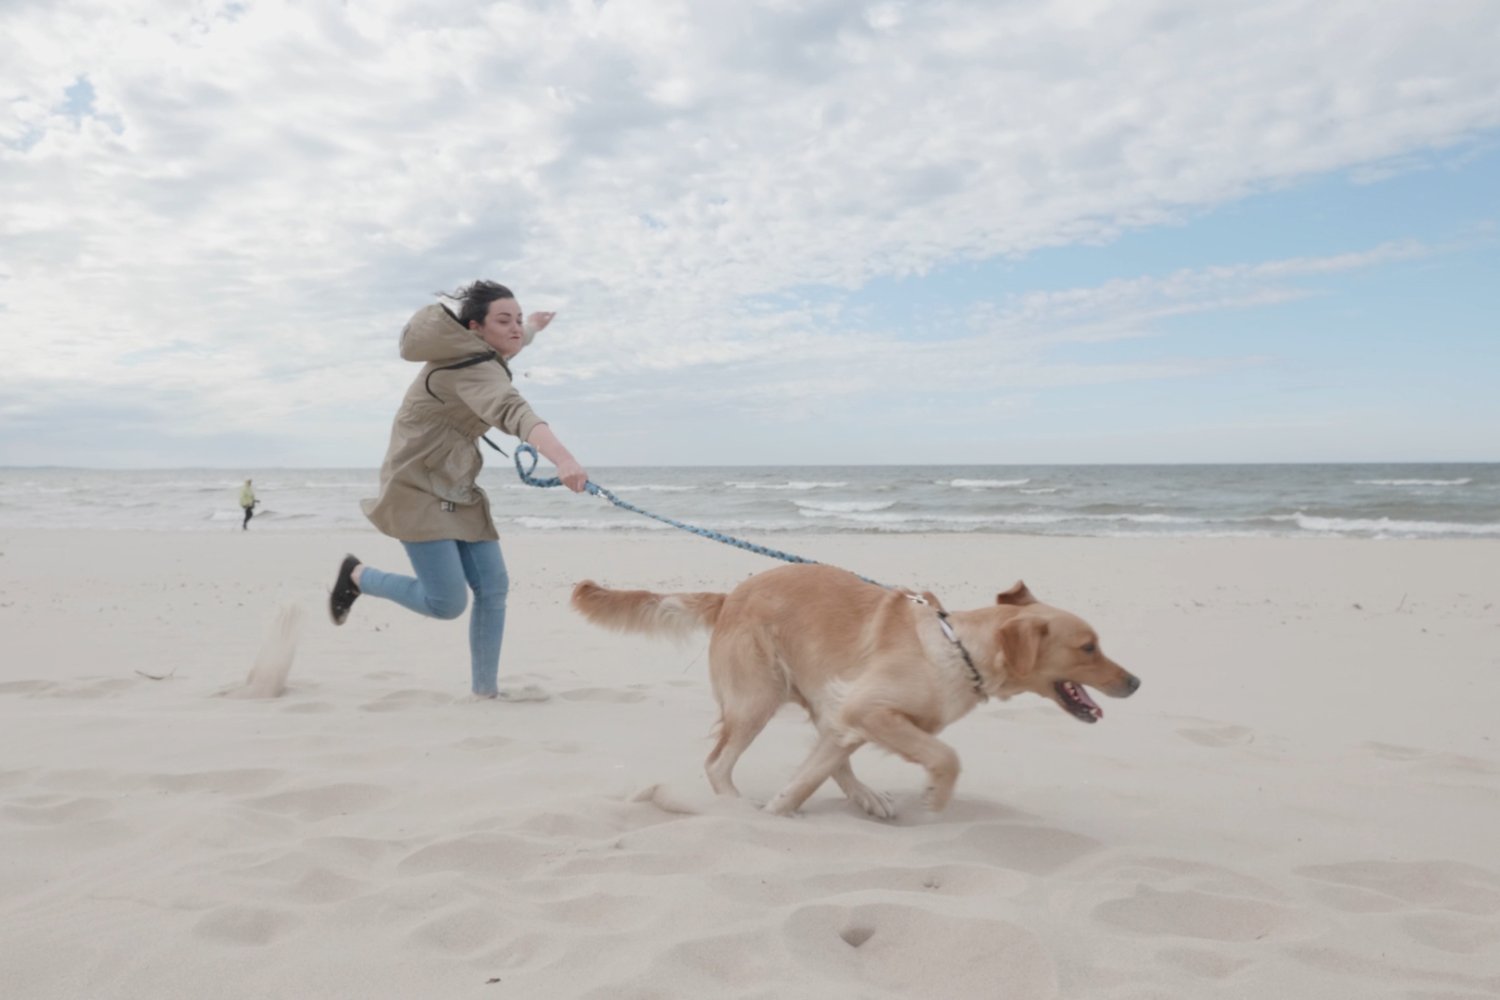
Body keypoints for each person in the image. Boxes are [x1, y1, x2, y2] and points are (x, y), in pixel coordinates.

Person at [328, 280, 588, 701]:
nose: (514, 327)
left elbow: (510, 344)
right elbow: (513, 410)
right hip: (415, 486)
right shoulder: (471, 368)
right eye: (504, 320)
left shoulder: (478, 351)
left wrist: (534, 327)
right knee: (446, 603)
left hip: (453, 481)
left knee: (494, 587)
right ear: (475, 328)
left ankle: (485, 692)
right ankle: (358, 577)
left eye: (518, 319)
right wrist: (564, 459)